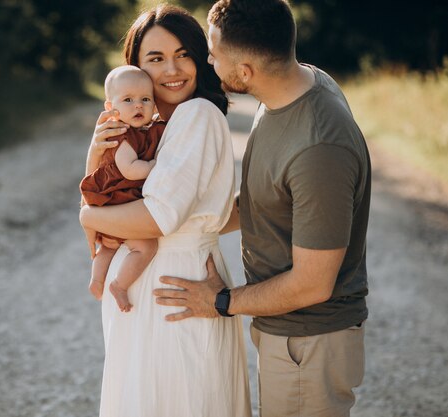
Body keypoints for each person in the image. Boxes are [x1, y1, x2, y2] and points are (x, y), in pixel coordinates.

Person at [153, 1, 372, 416]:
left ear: (246, 71)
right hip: (287, 334)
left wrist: (218, 301)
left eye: (214, 54)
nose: (209, 61)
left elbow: (313, 284)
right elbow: (262, 203)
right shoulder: (291, 89)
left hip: (309, 342)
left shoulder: (318, 148)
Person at [79, 4, 251, 417]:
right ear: (135, 70)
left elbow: (155, 218)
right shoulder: (152, 131)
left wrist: (87, 216)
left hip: (174, 283)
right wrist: (97, 150)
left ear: (201, 57)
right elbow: (105, 192)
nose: (172, 69)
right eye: (155, 59)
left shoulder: (196, 113)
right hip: (153, 282)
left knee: (180, 397)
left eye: (183, 54)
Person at [80, 65, 164, 313]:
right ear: (110, 108)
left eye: (145, 100)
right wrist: (153, 165)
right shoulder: (123, 135)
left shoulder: (142, 131)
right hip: (119, 200)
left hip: (117, 200)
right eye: (128, 100)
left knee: (108, 246)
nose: (138, 106)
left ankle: (97, 281)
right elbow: (130, 170)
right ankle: (118, 285)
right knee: (146, 246)